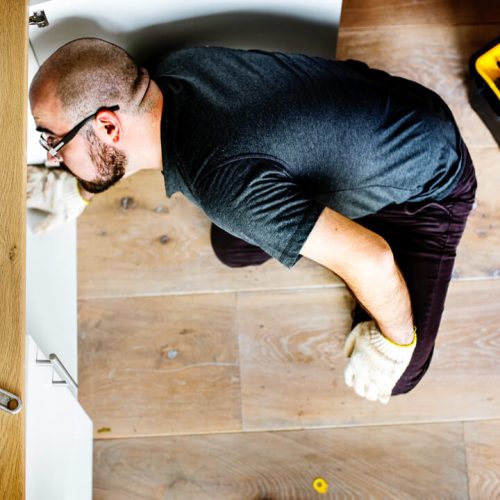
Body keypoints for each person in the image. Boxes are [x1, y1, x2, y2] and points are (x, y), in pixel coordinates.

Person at [28, 37, 477, 405]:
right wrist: (80, 186)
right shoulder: (175, 69)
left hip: (429, 180)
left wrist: (393, 343)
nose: (53, 155)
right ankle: (333, 228)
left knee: (399, 373)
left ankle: (352, 237)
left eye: (53, 140)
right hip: (383, 110)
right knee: (233, 246)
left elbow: (374, 260)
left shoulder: (227, 186)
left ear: (109, 128)